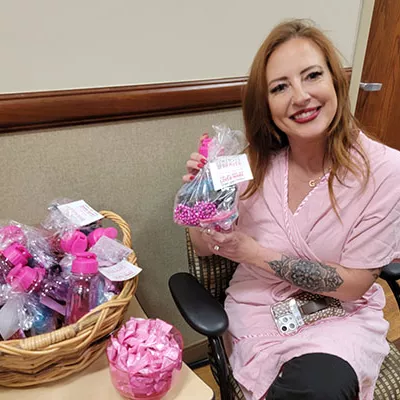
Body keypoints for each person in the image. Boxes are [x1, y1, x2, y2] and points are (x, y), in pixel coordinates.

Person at [182, 19, 400, 400]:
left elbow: (352, 285)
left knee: (321, 388)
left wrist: (253, 252)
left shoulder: (383, 171)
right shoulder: (252, 164)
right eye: (280, 87)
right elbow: (203, 245)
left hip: (337, 317)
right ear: (266, 105)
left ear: (335, 81)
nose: (300, 96)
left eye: (312, 75)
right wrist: (200, 204)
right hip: (258, 309)